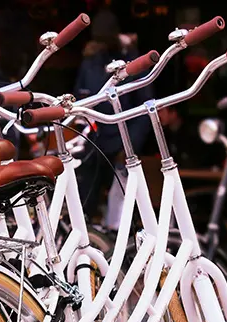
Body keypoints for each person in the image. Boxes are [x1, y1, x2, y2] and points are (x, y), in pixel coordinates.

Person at [73, 8, 153, 222]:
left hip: (121, 145)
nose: (102, 43)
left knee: (123, 212)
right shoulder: (90, 62)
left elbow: (144, 108)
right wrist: (81, 137)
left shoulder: (132, 63)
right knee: (84, 206)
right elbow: (79, 100)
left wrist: (129, 146)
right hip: (93, 142)